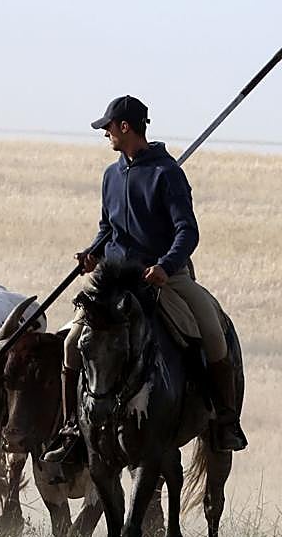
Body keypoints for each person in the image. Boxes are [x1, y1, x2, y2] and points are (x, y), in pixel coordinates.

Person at [43, 95, 248, 464]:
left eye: (108, 126)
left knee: (212, 331)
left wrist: (167, 266)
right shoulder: (110, 175)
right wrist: (93, 253)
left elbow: (188, 232)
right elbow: (108, 229)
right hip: (115, 281)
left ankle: (224, 419)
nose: (105, 133)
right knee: (73, 341)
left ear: (125, 127)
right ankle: (73, 427)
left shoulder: (167, 174)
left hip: (164, 278)